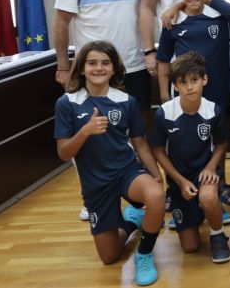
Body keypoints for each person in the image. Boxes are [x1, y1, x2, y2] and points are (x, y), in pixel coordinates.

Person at [53, 0, 150, 222]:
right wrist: (63, 66)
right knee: (89, 136)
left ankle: (136, 190)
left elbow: (148, 15)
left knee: (135, 135)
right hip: (92, 74)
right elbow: (61, 22)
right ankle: (91, 194)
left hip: (133, 68)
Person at [54, 41, 165, 286]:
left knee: (156, 195)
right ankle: (132, 221)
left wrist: (155, 173)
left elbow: (140, 143)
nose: (99, 68)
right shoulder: (67, 103)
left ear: (114, 69)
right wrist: (85, 132)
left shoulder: (126, 101)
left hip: (127, 172)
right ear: (82, 68)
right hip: (95, 183)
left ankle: (144, 255)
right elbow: (63, 153)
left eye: (105, 63)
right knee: (109, 257)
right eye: (92, 63)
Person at [150, 52, 230, 263]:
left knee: (208, 196)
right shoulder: (165, 113)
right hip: (179, 178)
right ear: (175, 86)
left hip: (205, 171)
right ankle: (199, 212)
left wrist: (211, 167)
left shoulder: (214, 111)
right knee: (191, 247)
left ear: (204, 80)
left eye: (194, 80)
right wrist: (179, 180)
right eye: (182, 82)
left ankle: (218, 235)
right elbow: (158, 150)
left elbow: (222, 143)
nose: (189, 87)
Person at [155, 0, 229, 111]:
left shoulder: (222, 17)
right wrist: (164, 96)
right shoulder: (172, 22)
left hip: (219, 91)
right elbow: (163, 60)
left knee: (219, 132)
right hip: (185, 93)